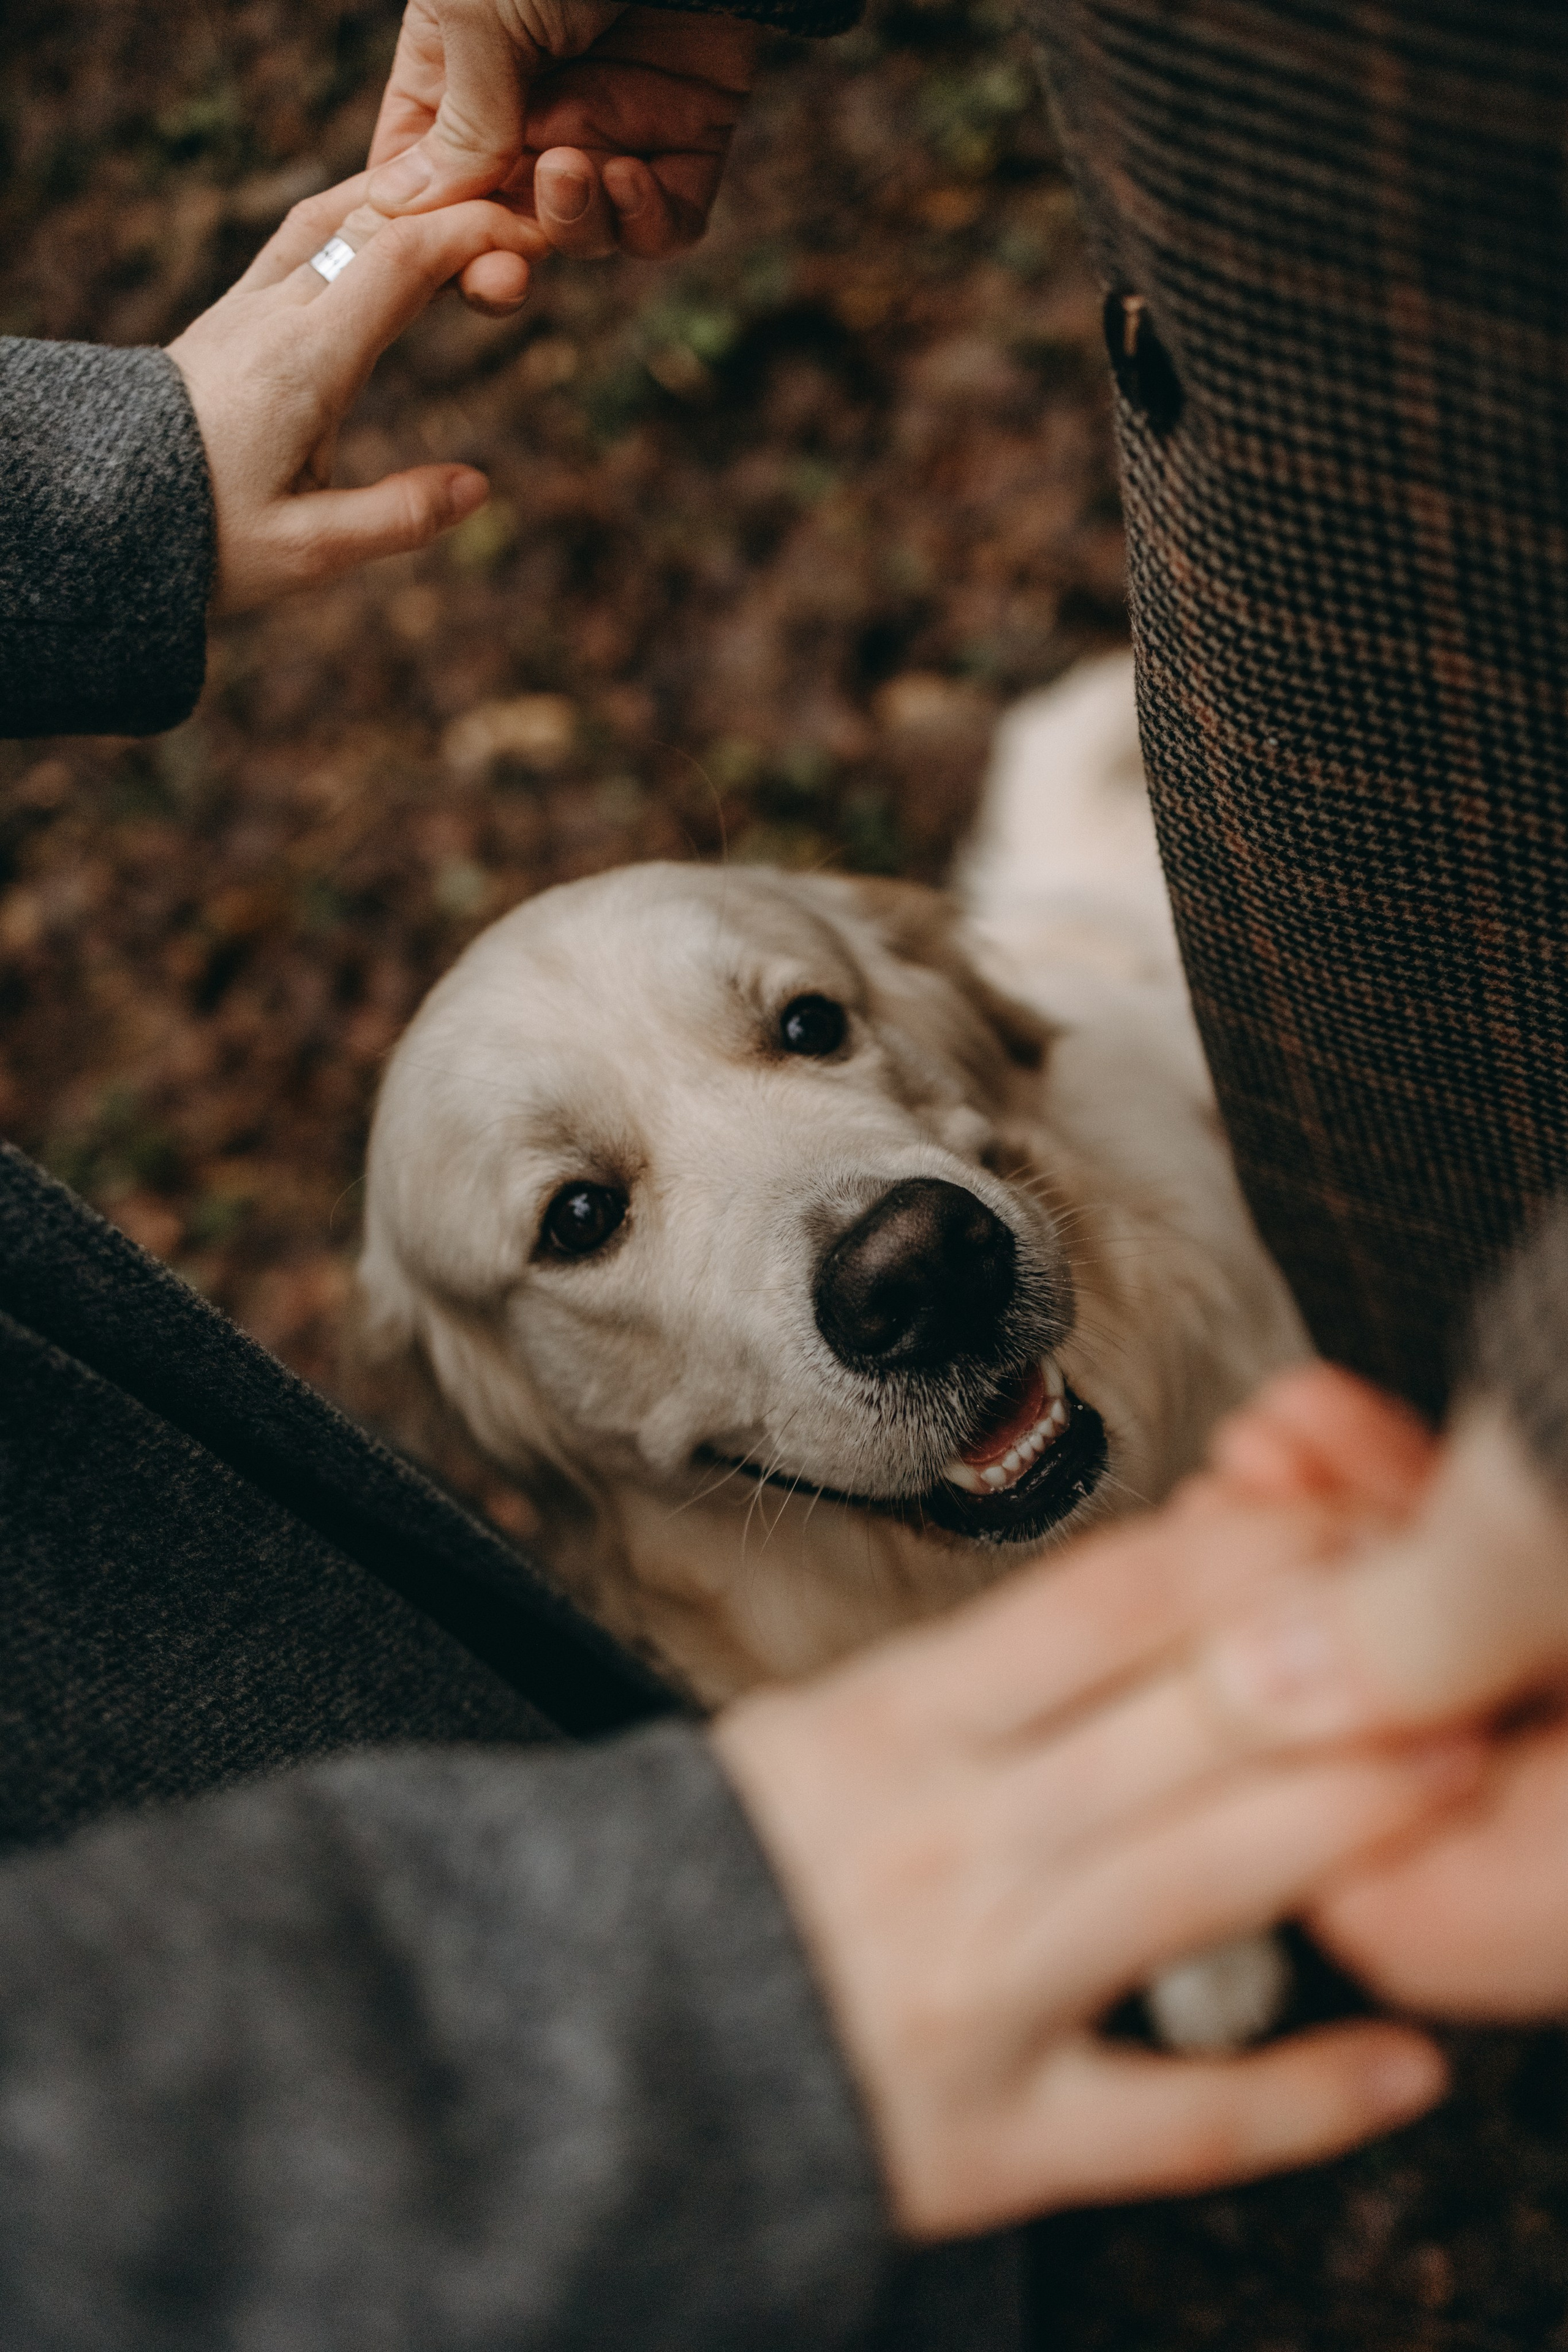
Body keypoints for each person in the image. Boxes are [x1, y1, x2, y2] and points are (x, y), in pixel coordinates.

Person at [2, 7, 1567, 2350]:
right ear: (499, 1419)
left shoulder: (1189, 1131)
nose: (878, 1241)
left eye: (808, 1029)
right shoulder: (521, 1506)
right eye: (581, 1221)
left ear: (933, 1026)